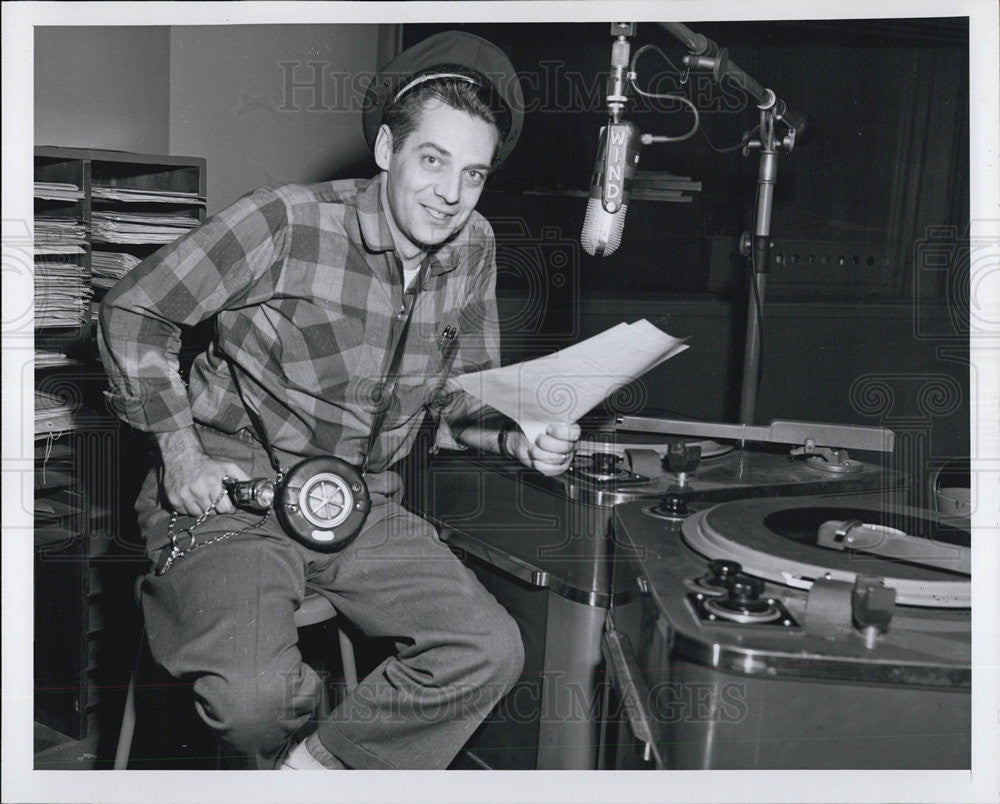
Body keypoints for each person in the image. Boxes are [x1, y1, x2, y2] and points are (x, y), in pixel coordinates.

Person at [98, 30, 581, 770]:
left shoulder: (474, 248)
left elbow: (456, 406)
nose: (452, 195)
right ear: (388, 149)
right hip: (236, 492)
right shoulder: (285, 222)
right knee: (253, 700)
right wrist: (180, 450)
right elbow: (134, 308)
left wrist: (516, 440)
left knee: (487, 649)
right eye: (432, 160)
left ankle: (315, 773)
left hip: (359, 502)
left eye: (474, 174)